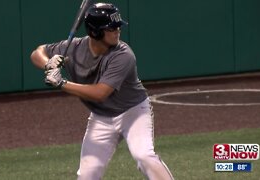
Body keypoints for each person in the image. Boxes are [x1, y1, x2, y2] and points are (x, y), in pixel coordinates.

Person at [30, 2, 174, 180]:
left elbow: (100, 94)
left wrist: (62, 83)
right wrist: (48, 63)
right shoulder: (74, 48)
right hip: (102, 118)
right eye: (111, 28)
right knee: (87, 175)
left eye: (117, 26)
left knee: (144, 156)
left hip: (133, 113)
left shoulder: (123, 55)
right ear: (95, 32)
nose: (117, 31)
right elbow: (37, 52)